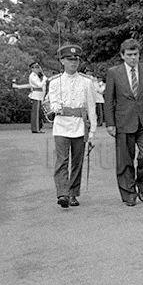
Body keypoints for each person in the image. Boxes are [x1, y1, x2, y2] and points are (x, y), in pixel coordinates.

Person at [104, 38, 143, 207]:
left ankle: (141, 184)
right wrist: (110, 123)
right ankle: (128, 193)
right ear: (122, 55)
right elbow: (109, 100)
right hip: (123, 121)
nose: (133, 58)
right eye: (129, 55)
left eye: (135, 54)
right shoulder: (114, 72)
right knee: (125, 159)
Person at [45, 44, 97, 208]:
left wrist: (93, 131)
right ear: (62, 61)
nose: (73, 63)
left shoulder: (87, 82)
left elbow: (91, 107)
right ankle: (63, 193)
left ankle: (73, 193)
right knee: (62, 160)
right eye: (69, 59)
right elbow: (51, 102)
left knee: (77, 161)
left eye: (76, 60)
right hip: (61, 125)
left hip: (80, 125)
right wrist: (55, 108)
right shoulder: (54, 82)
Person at [28, 61, 47, 133]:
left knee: (39, 113)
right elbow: (39, 85)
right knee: (36, 114)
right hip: (36, 96)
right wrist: (44, 79)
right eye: (35, 68)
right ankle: (36, 129)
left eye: (38, 67)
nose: (37, 69)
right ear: (32, 69)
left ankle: (38, 127)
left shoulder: (38, 75)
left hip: (39, 96)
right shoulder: (33, 76)